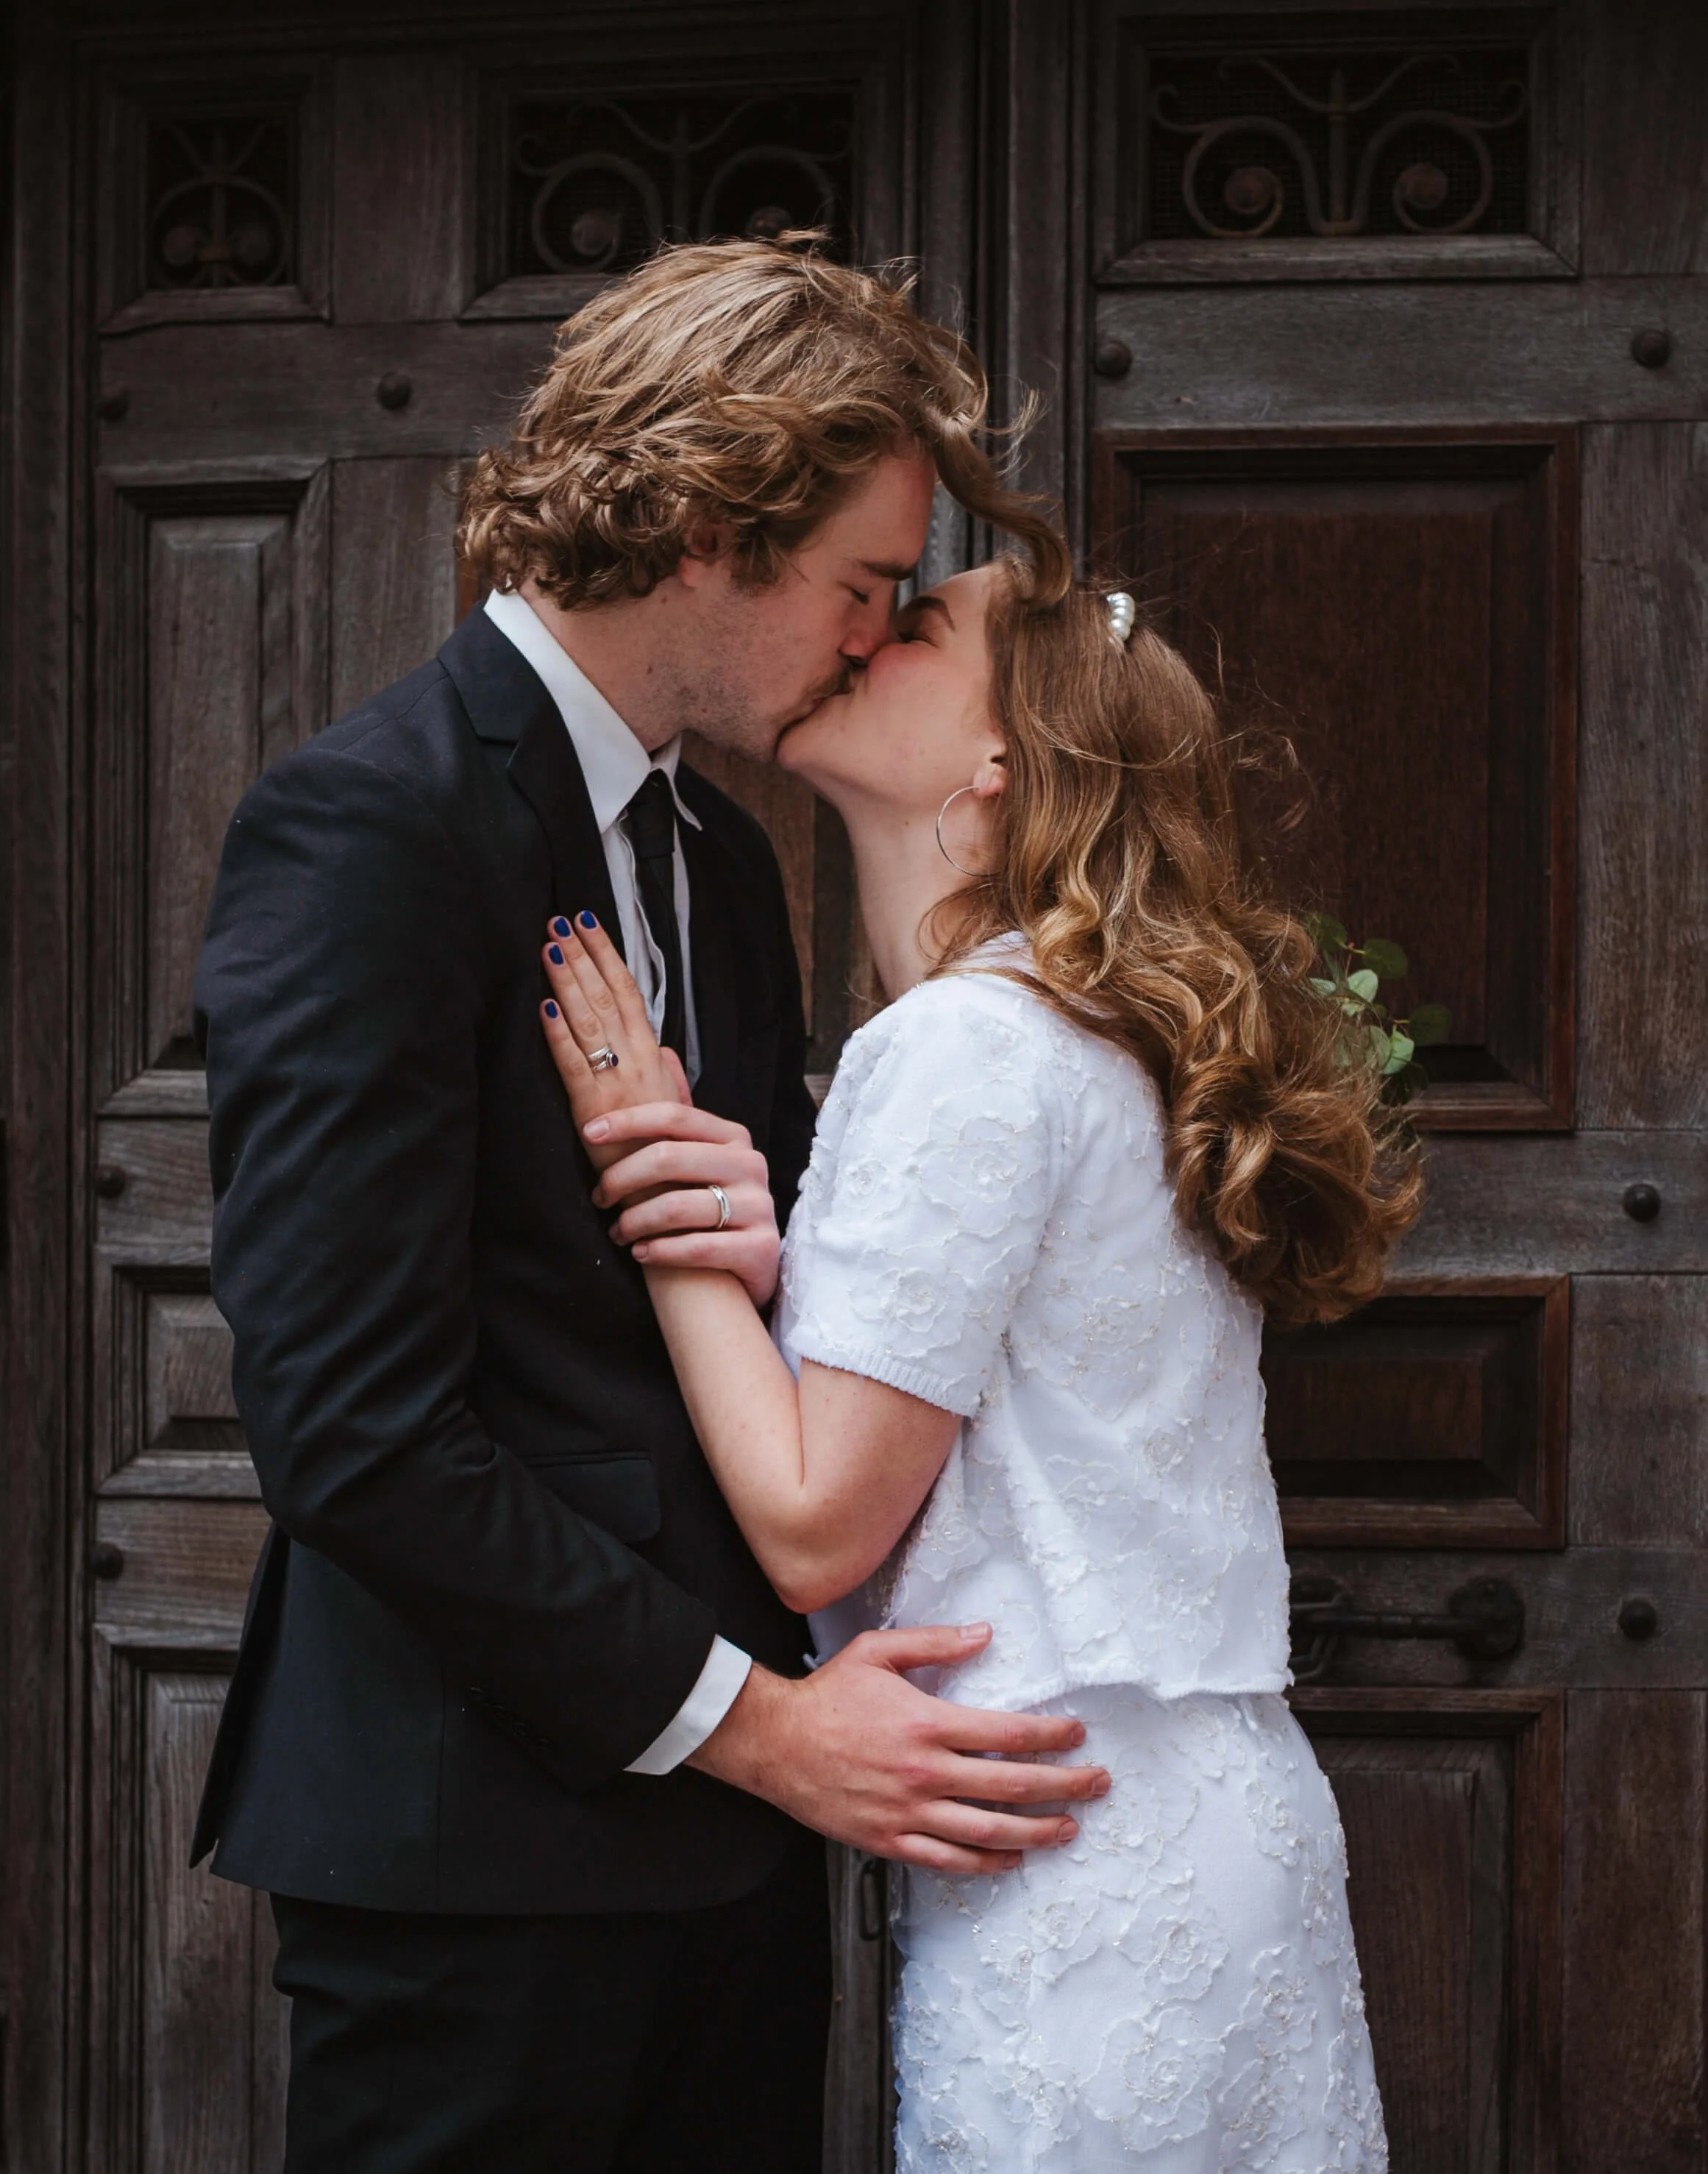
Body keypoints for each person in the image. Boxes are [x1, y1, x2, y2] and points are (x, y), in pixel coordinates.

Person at [190, 238, 1110, 2173]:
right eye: (859, 583)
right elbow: (352, 1429)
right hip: (476, 1870)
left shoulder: (719, 854)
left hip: (739, 1861)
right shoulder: (373, 824)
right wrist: (767, 1729)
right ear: (707, 526)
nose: (873, 638)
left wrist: (762, 1238)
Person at [539, 558, 1423, 2171]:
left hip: (1076, 1867)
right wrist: (767, 1260)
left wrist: (650, 1183)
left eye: (916, 626)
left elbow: (815, 1522)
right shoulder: (1084, 1034)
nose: (858, 633)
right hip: (1185, 1822)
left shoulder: (964, 1045)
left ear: (1002, 755)